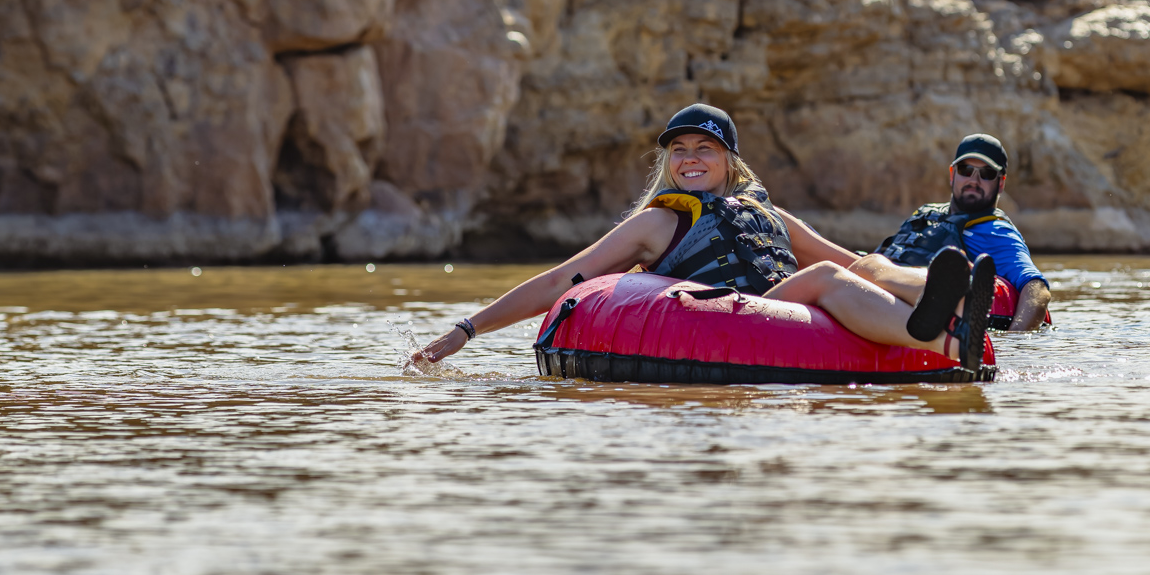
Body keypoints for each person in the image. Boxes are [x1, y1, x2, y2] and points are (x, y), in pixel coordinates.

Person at [415, 104, 999, 372]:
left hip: (793, 305)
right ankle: (946, 339)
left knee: (862, 266)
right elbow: (562, 279)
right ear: (669, 162)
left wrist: (891, 272)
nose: (691, 160)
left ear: (729, 160)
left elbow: (853, 261)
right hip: (736, 314)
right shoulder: (658, 222)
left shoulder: (763, 211)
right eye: (680, 151)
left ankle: (957, 304)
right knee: (826, 278)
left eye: (705, 149)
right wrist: (465, 331)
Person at [852, 134, 1052, 332]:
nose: (974, 180)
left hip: (909, 303)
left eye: (987, 174)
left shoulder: (995, 231)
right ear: (952, 174)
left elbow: (1036, 288)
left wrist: (1015, 343)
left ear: (1000, 183)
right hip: (874, 285)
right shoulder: (926, 213)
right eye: (966, 170)